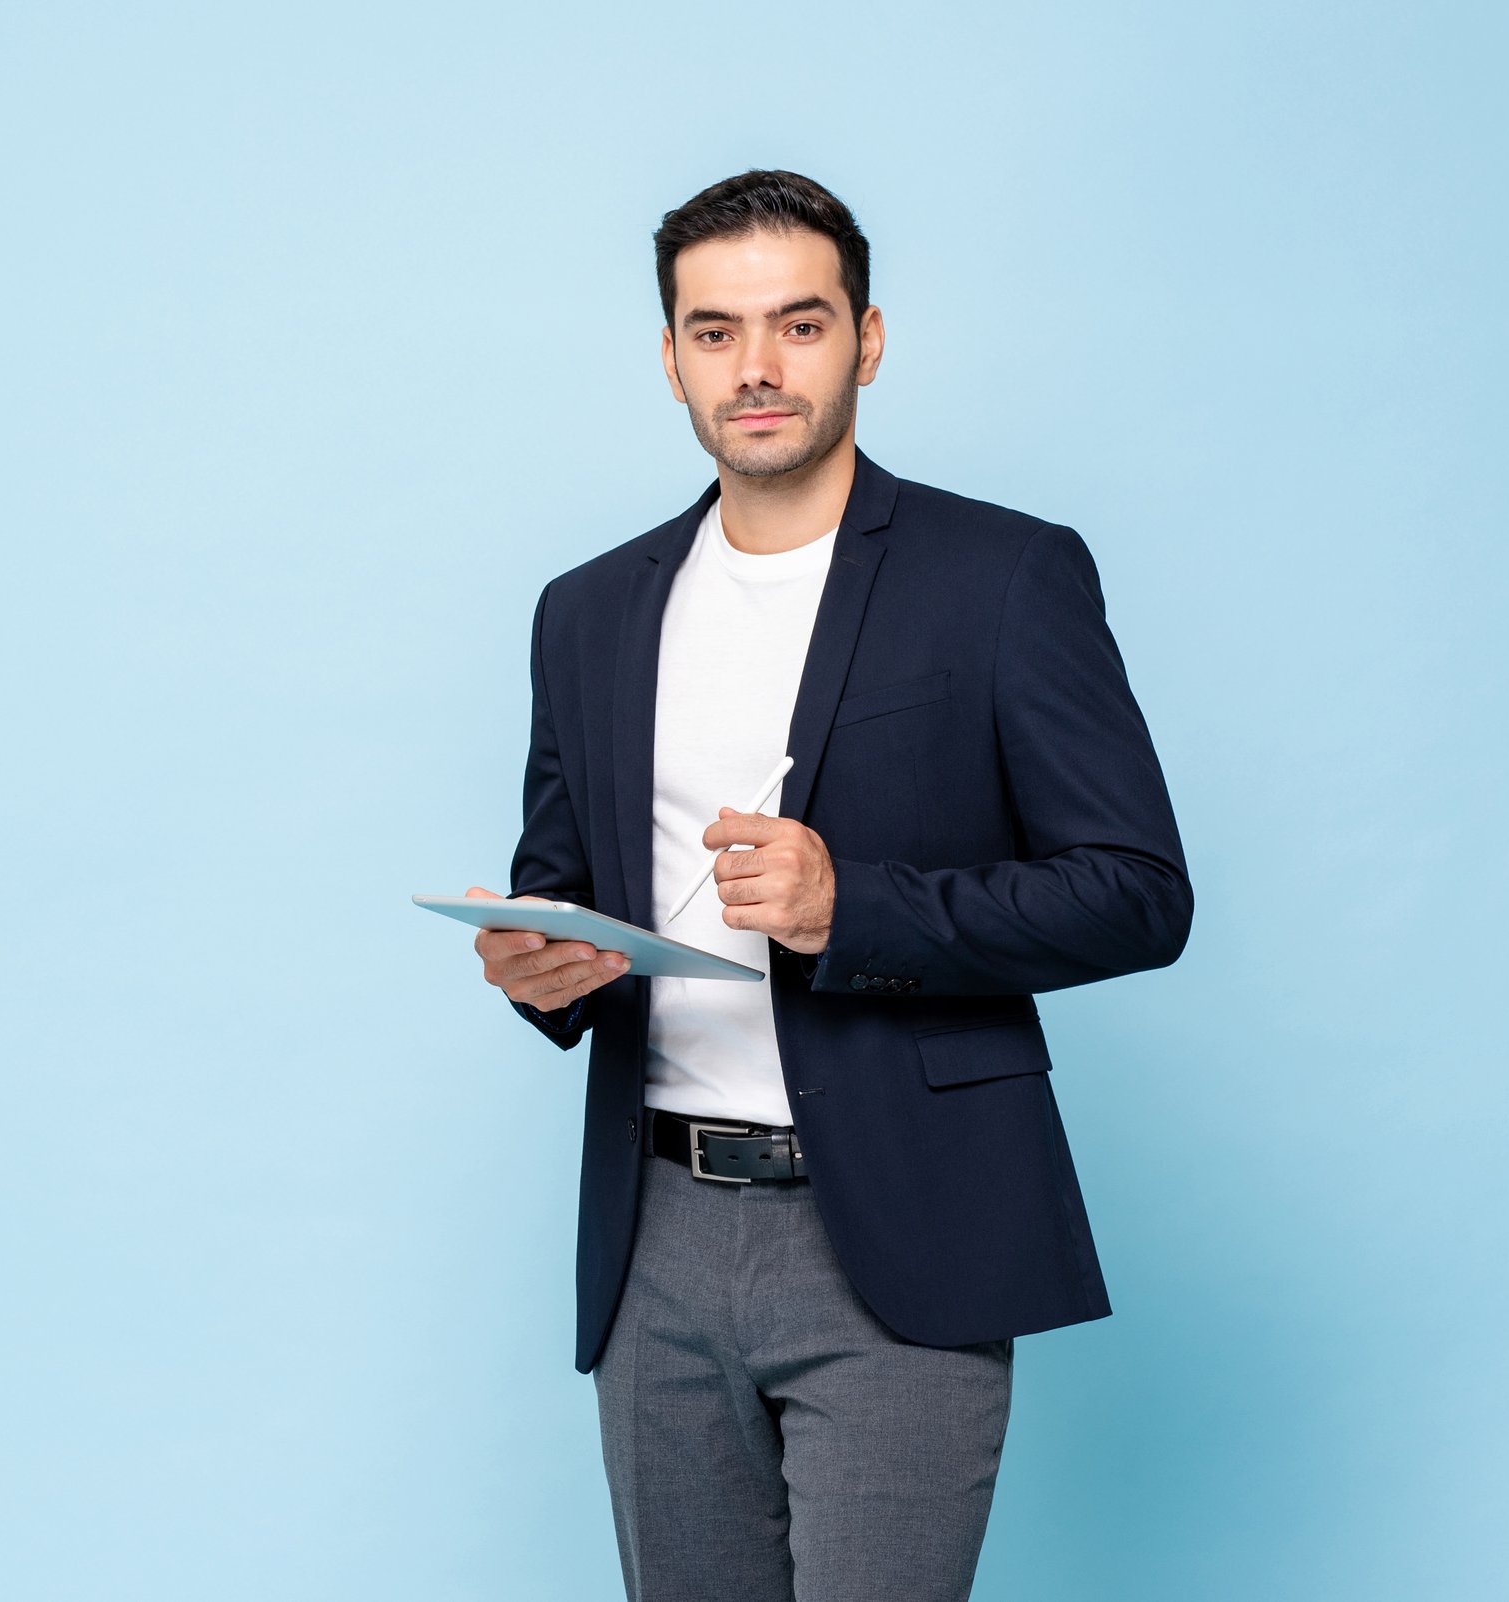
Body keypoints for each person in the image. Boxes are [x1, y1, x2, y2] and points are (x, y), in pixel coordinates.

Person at [456, 170, 1192, 1602]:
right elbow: (562, 877)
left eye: (798, 324)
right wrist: (546, 966)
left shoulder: (1005, 578)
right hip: (656, 1235)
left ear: (867, 336)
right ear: (670, 356)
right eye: (717, 332)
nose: (759, 368)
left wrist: (857, 906)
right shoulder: (589, 608)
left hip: (901, 1236)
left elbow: (1137, 890)